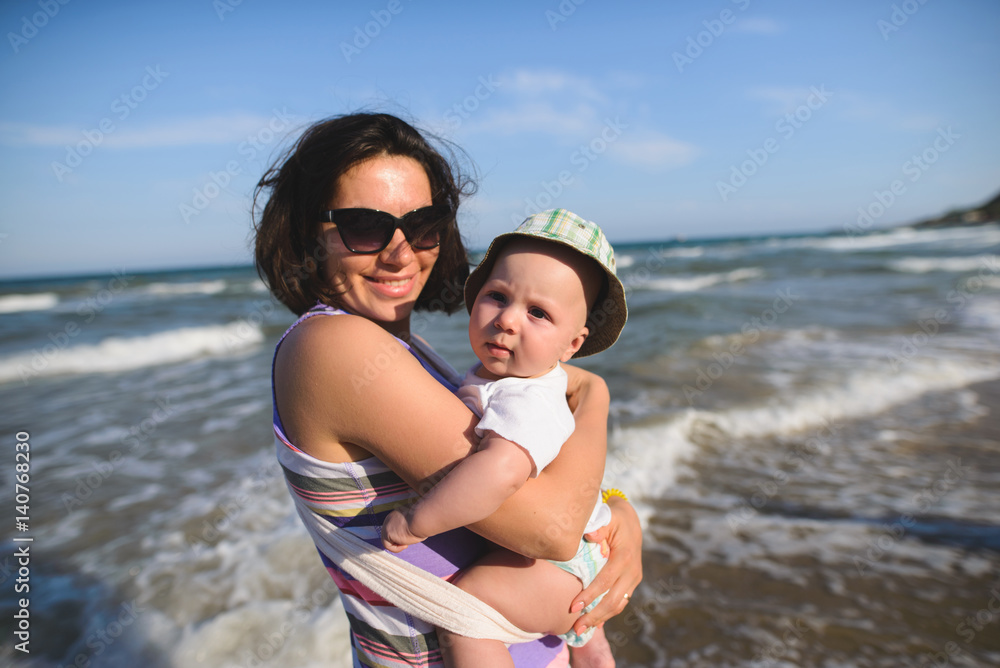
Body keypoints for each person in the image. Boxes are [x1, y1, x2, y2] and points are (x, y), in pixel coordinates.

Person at [253, 112, 642, 668]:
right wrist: (595, 396)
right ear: (306, 232)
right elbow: (550, 530)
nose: (400, 252)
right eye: (365, 225)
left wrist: (616, 508)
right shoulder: (336, 347)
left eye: (423, 223)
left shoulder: (410, 353)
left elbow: (536, 469)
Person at [382, 209, 629, 667]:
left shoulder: (526, 397)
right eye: (498, 296)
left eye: (538, 312)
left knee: (466, 609)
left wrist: (417, 521)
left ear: (572, 346)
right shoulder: (501, 379)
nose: (508, 320)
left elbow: (499, 471)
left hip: (566, 566)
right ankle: (592, 651)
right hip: (577, 552)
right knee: (585, 643)